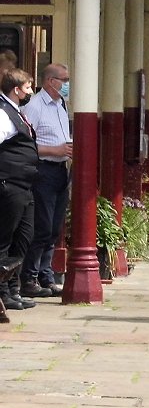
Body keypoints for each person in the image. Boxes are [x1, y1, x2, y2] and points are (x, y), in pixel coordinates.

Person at [22, 63, 72, 299]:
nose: (67, 84)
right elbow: (27, 144)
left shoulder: (61, 105)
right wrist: (56, 149)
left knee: (54, 227)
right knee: (41, 226)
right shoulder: (34, 106)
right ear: (51, 81)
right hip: (43, 170)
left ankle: (46, 275)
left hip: (61, 170)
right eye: (65, 79)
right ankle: (29, 277)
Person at [0, 68, 38, 313]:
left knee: (24, 236)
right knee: (4, 239)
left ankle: (14, 288)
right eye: (27, 87)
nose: (30, 91)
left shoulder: (16, 112)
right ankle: (3, 293)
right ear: (16, 90)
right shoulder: (4, 114)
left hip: (24, 185)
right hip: (9, 184)